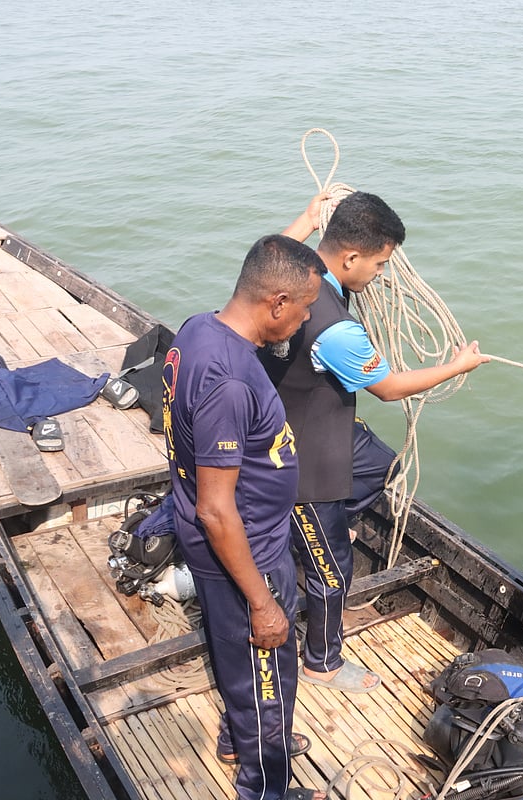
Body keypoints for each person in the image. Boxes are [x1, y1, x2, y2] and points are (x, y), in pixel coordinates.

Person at [262, 190, 490, 693]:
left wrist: (305, 216)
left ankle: (311, 533)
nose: (381, 275)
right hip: (304, 462)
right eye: (380, 264)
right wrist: (456, 366)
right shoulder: (337, 331)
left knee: (381, 465)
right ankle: (323, 662)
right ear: (350, 257)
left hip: (297, 419)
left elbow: (274, 245)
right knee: (333, 568)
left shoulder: (286, 274)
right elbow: (387, 389)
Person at [162, 234, 325, 800]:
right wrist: (262, 601)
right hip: (243, 550)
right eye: (304, 308)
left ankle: (239, 738)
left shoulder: (197, 329)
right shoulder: (229, 381)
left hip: (244, 537)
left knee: (241, 667)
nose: (304, 321)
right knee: (268, 679)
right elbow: (215, 506)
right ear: (277, 301)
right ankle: (266, 787)